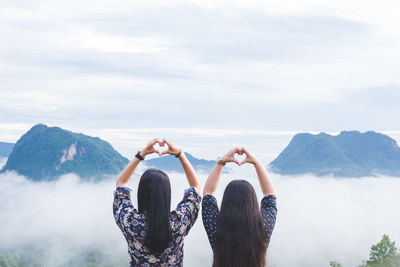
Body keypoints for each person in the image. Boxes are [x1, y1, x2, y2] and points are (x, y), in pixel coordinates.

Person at [113, 138, 201, 267]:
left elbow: (120, 184)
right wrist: (180, 154)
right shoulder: (179, 222)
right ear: (167, 194)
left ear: (141, 193)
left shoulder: (130, 222)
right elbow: (195, 187)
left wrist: (142, 154)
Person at [202, 147, 277, 267]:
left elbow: (208, 193)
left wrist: (221, 162)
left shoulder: (216, 227)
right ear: (253, 202)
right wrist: (256, 163)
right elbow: (270, 196)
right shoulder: (263, 228)